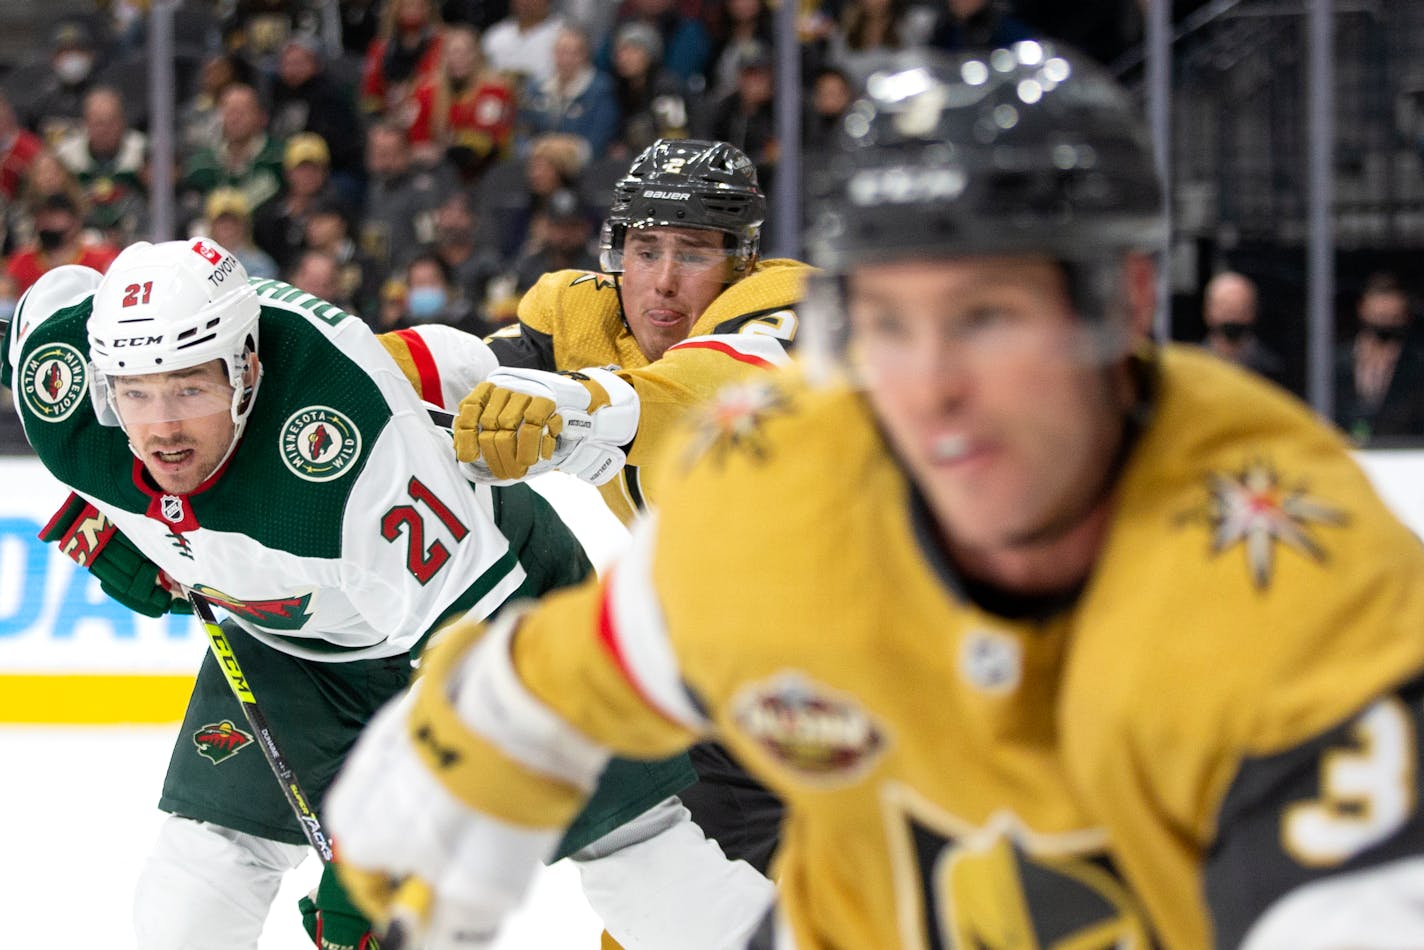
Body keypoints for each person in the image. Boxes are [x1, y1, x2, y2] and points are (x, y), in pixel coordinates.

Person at [325, 45, 1424, 948]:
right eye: (891, 321)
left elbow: (1350, 897)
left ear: (1127, 298)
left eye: (989, 315)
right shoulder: (806, 473)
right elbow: (626, 636)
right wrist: (494, 727)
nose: (933, 389)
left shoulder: (1287, 566)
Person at [0, 238, 766, 950]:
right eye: (134, 394)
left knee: (627, 846)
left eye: (191, 388)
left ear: (248, 370)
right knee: (204, 862)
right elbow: (48, 314)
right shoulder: (57, 379)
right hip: (296, 643)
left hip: (494, 608)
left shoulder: (355, 452)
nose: (162, 428)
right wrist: (102, 516)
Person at [1334, 271, 1424, 443]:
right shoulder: (1336, 363)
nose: (1385, 326)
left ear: (1405, 317)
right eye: (1379, 318)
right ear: (1362, 309)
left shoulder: (1417, 367)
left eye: (1393, 319)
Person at [1200, 269, 1286, 386]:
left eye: (1240, 309)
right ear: (1208, 311)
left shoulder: (1271, 368)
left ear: (1253, 312)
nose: (1232, 318)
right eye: (1225, 308)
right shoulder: (1194, 364)